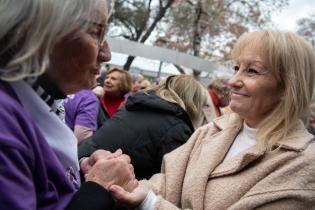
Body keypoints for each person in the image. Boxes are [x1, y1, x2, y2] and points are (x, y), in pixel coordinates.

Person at [108, 30, 315, 209]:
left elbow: (154, 198)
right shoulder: (212, 130)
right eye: (236, 68)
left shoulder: (303, 164)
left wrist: (150, 203)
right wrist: (125, 186)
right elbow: (167, 182)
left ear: (288, 87)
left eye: (252, 71)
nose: (233, 81)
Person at [0, 0, 137, 209]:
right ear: (39, 32)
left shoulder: (33, 99)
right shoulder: (4, 122)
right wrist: (100, 187)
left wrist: (82, 168)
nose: (106, 54)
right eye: (96, 32)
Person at [79, 75, 211, 180]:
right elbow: (171, 180)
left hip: (79, 168)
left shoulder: (134, 106)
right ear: (194, 102)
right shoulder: (176, 127)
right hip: (99, 182)